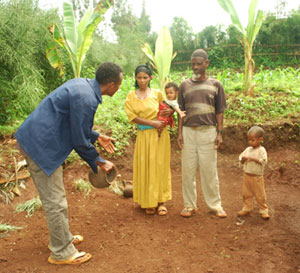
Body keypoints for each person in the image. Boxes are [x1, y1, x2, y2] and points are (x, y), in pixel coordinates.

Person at [14, 62, 123, 265]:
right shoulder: (86, 98)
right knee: (55, 201)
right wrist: (99, 161)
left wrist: (97, 136)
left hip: (40, 140)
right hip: (41, 147)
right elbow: (79, 140)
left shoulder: (83, 87)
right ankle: (61, 252)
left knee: (56, 198)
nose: (119, 87)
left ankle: (61, 238)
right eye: (119, 83)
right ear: (110, 84)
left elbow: (74, 126)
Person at [177, 49, 227, 218]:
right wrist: (179, 133)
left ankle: (215, 205)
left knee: (209, 170)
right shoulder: (184, 85)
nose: (196, 67)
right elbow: (181, 112)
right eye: (193, 64)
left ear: (207, 63)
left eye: (199, 64)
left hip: (208, 132)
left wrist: (219, 133)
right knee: (188, 171)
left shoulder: (216, 84)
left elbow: (219, 111)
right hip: (189, 132)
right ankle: (189, 205)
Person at [125, 64, 173, 216]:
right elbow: (132, 116)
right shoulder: (131, 96)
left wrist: (169, 112)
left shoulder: (157, 93)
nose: (142, 80)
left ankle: (161, 201)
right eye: (139, 77)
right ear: (135, 78)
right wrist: (151, 122)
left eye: (145, 77)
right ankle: (148, 202)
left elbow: (167, 108)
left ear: (150, 78)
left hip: (159, 136)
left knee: (160, 166)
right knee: (145, 166)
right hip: (144, 136)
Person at [237, 126, 270, 220]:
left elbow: (263, 161)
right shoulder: (248, 149)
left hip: (257, 177)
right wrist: (243, 160)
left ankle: (264, 210)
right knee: (246, 193)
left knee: (260, 195)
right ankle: (247, 208)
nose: (250, 142)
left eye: (253, 140)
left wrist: (252, 158)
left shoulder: (262, 150)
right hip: (247, 175)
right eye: (249, 140)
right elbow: (241, 158)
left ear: (260, 139)